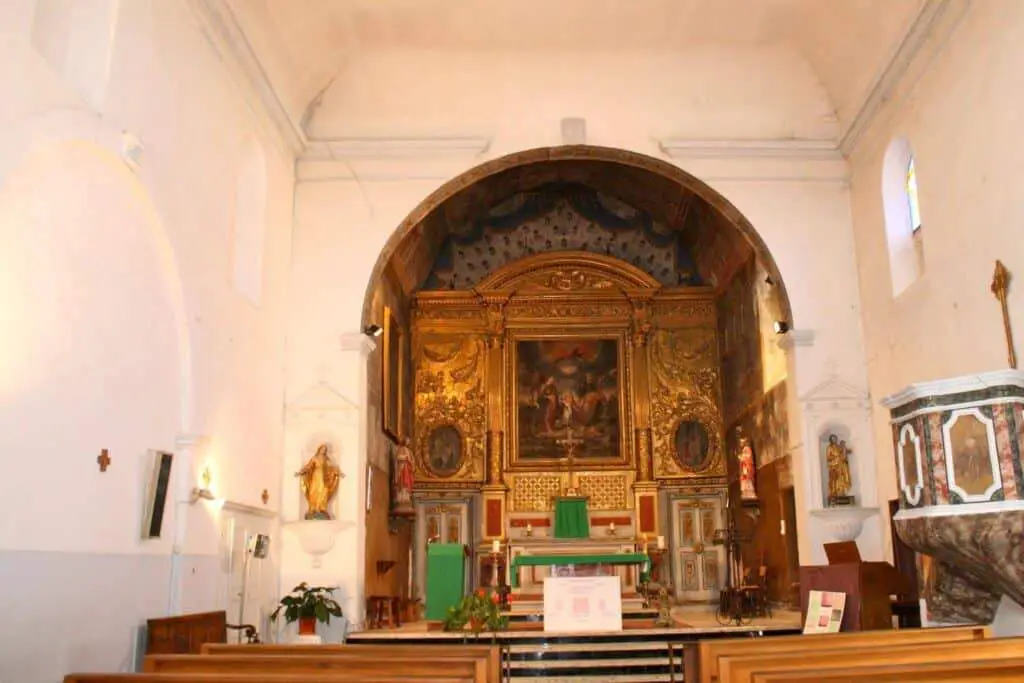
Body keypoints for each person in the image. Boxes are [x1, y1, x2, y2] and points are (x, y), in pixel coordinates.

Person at [295, 443, 343, 519]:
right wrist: (301, 472)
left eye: (325, 450)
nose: (323, 451)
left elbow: (332, 466)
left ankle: (321, 508)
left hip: (324, 477)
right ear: (319, 449)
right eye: (322, 449)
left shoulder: (326, 459)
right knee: (314, 491)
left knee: (324, 491)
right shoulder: (314, 458)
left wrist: (338, 472)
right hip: (316, 476)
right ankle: (313, 508)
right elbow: (308, 466)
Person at [392, 437, 415, 513]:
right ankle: (401, 499)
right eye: (407, 441)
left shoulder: (409, 451)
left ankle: (406, 498)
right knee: (402, 484)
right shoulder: (401, 449)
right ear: (404, 441)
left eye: (408, 441)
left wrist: (411, 461)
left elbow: (412, 460)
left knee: (407, 484)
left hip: (407, 469)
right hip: (402, 468)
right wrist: (405, 458)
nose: (408, 442)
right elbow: (398, 457)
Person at [826, 434, 852, 499]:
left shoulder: (838, 447)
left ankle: (842, 492)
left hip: (841, 466)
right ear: (831, 440)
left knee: (842, 479)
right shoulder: (829, 447)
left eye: (835, 438)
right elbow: (828, 457)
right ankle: (836, 493)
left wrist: (845, 448)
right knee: (835, 480)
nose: (834, 439)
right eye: (833, 438)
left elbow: (844, 452)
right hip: (834, 466)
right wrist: (836, 457)